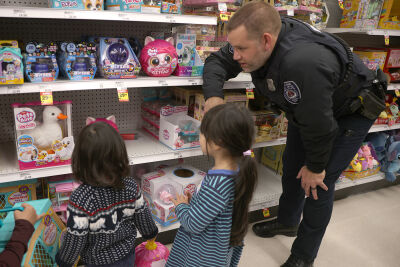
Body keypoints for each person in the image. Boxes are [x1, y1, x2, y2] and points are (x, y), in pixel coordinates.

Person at [202, 2, 386, 267]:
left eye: (241, 49)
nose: (236, 56)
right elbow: (217, 61)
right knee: (291, 166)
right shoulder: (253, 38)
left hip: (351, 110)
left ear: (266, 40)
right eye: (235, 47)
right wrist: (213, 98)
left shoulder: (302, 63)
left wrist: (316, 166)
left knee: (317, 185)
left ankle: (304, 255)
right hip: (311, 107)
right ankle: (288, 221)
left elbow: (321, 128)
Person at [166, 104, 258, 267]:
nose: (199, 136)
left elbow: (193, 224)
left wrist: (181, 206)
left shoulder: (216, 183)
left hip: (202, 254)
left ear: (217, 143)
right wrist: (194, 202)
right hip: (218, 246)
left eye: (202, 132)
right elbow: (216, 208)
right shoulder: (237, 170)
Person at [55, 122, 158, 267]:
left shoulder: (81, 198)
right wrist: (150, 233)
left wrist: (64, 260)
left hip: (97, 261)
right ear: (120, 154)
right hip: (127, 254)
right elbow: (142, 213)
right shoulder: (130, 185)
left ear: (80, 161)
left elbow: (76, 238)